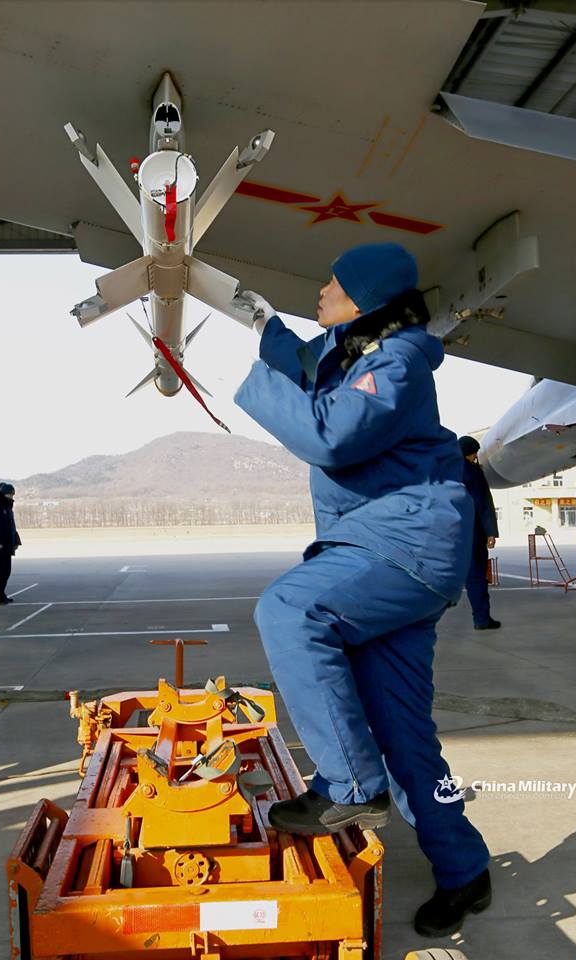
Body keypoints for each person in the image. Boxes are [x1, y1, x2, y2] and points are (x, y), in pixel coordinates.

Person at [233, 242, 490, 938]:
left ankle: (347, 788)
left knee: (289, 608)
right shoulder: (355, 357)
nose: (320, 291)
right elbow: (305, 365)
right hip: (390, 551)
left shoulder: (397, 359)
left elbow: (332, 436)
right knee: (407, 739)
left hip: (403, 547)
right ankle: (466, 871)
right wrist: (257, 323)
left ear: (365, 299)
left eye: (333, 283)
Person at [458, 436, 501, 629]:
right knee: (476, 575)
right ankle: (482, 618)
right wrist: (490, 531)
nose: (476, 455)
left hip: (448, 532)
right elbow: (483, 503)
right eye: (474, 452)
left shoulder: (444, 469)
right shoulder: (473, 473)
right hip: (472, 532)